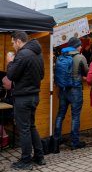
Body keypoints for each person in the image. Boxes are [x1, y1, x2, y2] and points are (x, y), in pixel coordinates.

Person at [6, 31, 45, 170]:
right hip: (34, 96)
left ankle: (26, 160)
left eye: (12, 43)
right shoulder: (38, 54)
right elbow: (42, 75)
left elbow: (10, 75)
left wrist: (10, 62)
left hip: (23, 97)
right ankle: (39, 157)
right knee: (31, 126)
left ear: (18, 41)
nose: (13, 45)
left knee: (24, 129)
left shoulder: (22, 54)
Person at [54, 37, 89, 150]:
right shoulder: (80, 57)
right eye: (80, 45)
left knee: (60, 114)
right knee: (75, 116)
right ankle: (74, 142)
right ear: (77, 46)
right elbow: (87, 72)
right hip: (75, 90)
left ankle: (56, 139)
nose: (81, 47)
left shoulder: (61, 56)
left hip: (63, 89)